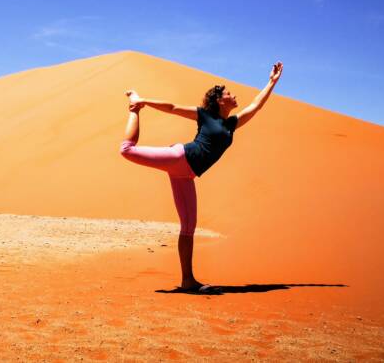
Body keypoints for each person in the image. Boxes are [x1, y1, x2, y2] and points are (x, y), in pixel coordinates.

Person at [120, 62, 283, 293]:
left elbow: (256, 106)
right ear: (219, 100)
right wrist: (143, 102)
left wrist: (272, 82)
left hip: (186, 175)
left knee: (188, 227)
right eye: (228, 94)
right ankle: (133, 110)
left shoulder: (231, 124)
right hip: (179, 157)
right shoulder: (204, 115)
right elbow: (173, 107)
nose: (234, 95)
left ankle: (188, 281)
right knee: (127, 150)